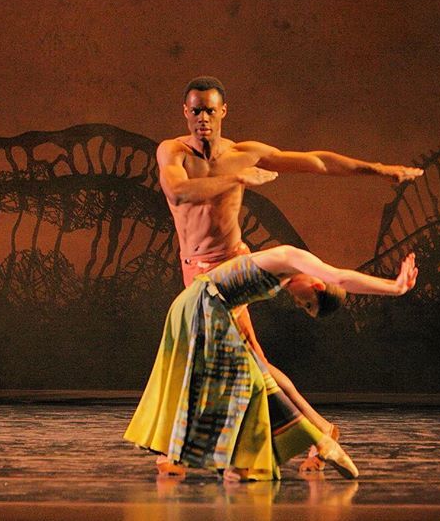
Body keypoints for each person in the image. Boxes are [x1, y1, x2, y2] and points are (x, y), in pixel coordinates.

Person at [155, 76, 423, 473]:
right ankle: (317, 432)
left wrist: (378, 169)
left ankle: (192, 454)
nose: (203, 119)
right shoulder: (173, 152)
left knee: (238, 363)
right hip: (194, 272)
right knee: (245, 360)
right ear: (185, 111)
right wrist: (237, 179)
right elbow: (178, 193)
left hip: (227, 273)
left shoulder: (244, 153)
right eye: (195, 110)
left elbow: (317, 161)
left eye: (210, 110)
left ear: (223, 111)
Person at [124, 247, 418, 481]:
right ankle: (301, 446)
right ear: (316, 285)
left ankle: (227, 460)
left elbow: (233, 281)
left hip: (203, 305)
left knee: (239, 379)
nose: (300, 304)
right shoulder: (290, 258)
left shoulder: (282, 275)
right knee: (239, 381)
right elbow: (340, 278)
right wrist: (394, 287)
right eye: (308, 304)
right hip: (203, 305)